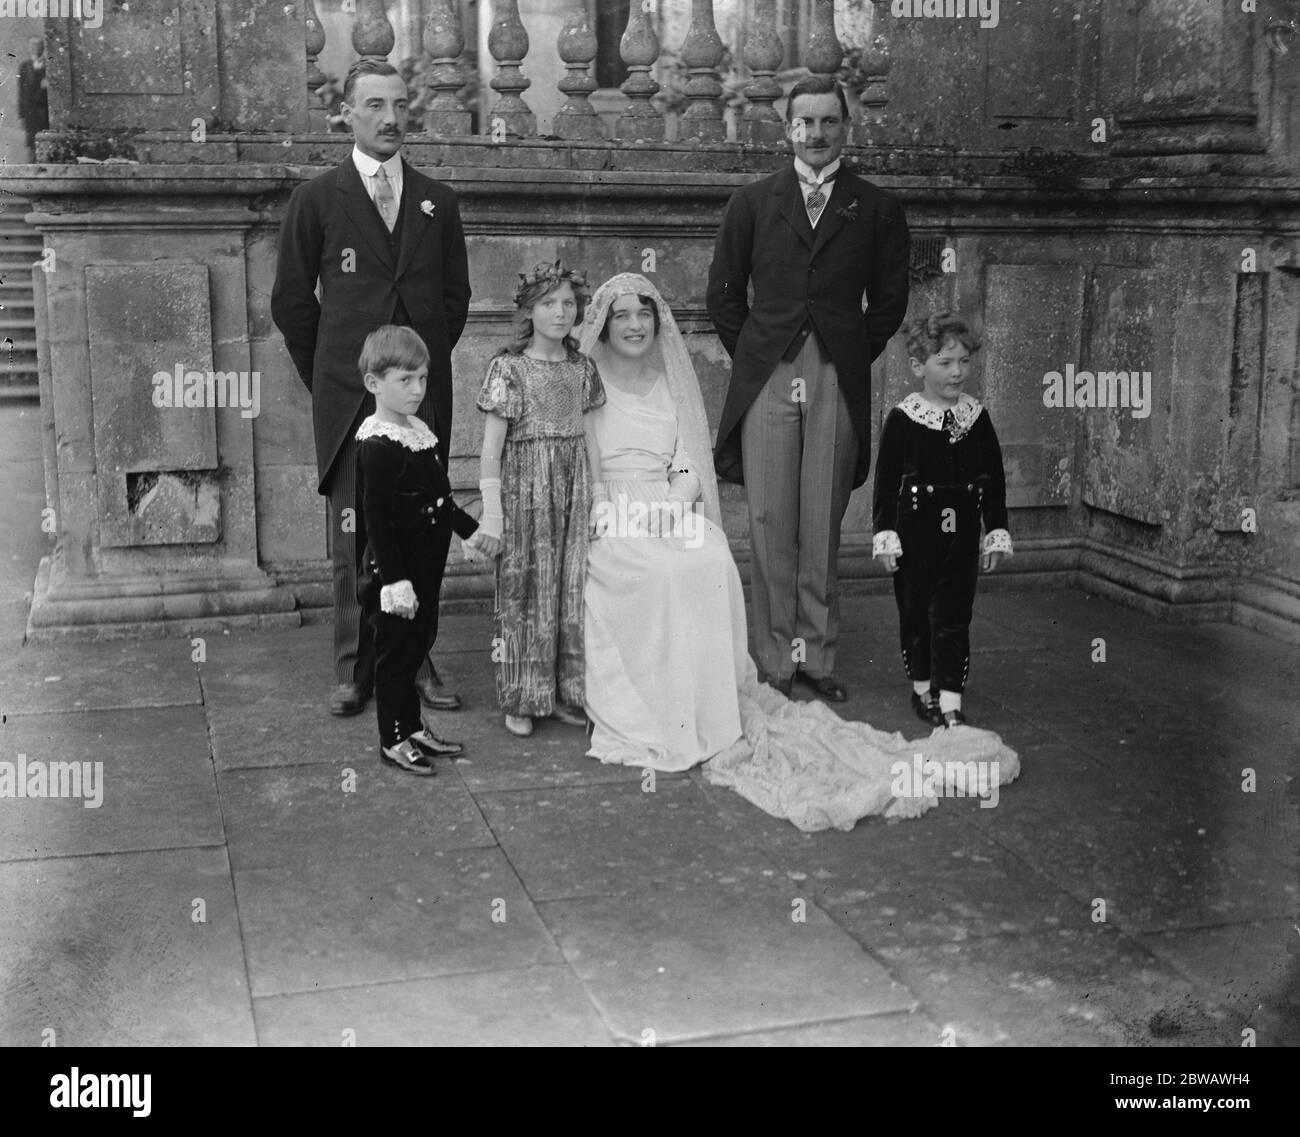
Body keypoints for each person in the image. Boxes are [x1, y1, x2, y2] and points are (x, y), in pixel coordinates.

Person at [579, 274, 1018, 831]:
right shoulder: (586, 383)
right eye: (622, 317)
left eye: (644, 314)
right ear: (605, 326)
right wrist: (610, 507)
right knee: (662, 572)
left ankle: (705, 707)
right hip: (612, 507)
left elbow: (687, 455)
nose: (635, 326)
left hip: (664, 502)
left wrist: (675, 497)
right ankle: (656, 709)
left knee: (709, 560)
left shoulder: (670, 382)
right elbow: (584, 458)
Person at [272, 59, 470, 720]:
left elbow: (453, 300)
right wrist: (336, 381)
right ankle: (354, 666)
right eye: (375, 105)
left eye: (400, 105)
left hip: (419, 403)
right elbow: (294, 304)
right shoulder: (318, 200)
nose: (391, 118)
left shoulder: (437, 200)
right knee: (356, 535)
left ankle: (415, 661)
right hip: (352, 401)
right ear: (347, 115)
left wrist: (415, 380)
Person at [707, 74, 910, 703]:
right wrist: (756, 354)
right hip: (769, 371)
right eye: (805, 122)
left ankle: (817, 658)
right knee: (770, 517)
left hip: (835, 373)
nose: (816, 133)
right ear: (786, 128)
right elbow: (723, 294)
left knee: (821, 516)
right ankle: (774, 660)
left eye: (828, 122)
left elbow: (891, 300)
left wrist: (847, 352)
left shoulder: (875, 207)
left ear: (846, 127)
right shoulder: (752, 201)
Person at [473, 261, 604, 738]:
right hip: (525, 490)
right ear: (529, 309)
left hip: (574, 489)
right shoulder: (508, 368)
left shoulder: (582, 368)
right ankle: (522, 697)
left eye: (569, 303)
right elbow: (490, 450)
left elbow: (591, 439)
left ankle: (564, 692)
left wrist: (600, 498)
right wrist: (493, 514)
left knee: (569, 591)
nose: (561, 312)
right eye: (549, 303)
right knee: (523, 591)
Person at [872, 313, 1012, 728]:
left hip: (961, 539)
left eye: (964, 362)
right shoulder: (905, 419)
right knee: (917, 616)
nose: (957, 372)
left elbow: (994, 479)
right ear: (919, 367)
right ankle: (922, 689)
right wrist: (886, 535)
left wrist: (996, 531)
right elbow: (885, 485)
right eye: (945, 362)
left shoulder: (976, 418)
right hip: (917, 536)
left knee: (954, 617)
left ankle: (950, 699)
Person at [355, 327, 480, 775]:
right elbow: (377, 520)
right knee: (395, 658)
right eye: (404, 380)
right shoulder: (377, 445)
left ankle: (412, 726)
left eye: (423, 379)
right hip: (397, 575)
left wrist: (471, 531)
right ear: (374, 383)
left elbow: (439, 497)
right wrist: (395, 582)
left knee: (417, 647)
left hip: (426, 566)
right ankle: (392, 739)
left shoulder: (417, 432)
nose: (417, 390)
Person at [18, 38, 49, 162]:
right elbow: (21, 91)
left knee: (46, 140)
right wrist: (21, 115)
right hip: (30, 112)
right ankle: (33, 167)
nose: (35, 48)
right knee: (32, 143)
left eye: (38, 45)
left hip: (44, 110)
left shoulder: (49, 65)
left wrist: (48, 85)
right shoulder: (24, 66)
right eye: (32, 45)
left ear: (43, 48)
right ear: (29, 48)